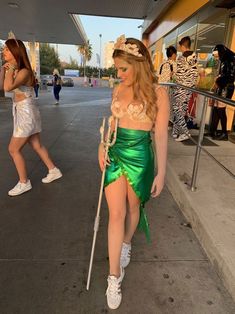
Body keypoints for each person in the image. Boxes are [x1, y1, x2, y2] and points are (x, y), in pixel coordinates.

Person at [98, 35, 169, 310]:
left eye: (123, 69)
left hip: (140, 157)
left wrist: (161, 172)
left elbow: (161, 135)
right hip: (115, 154)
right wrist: (101, 146)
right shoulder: (118, 89)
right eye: (117, 69)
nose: (119, 74)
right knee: (115, 214)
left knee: (132, 207)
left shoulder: (158, 93)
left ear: (138, 65)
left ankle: (127, 241)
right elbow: (110, 125)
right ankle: (114, 275)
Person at [3, 39, 62, 196]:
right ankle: (53, 170)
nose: (3, 52)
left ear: (16, 52)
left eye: (7, 50)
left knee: (13, 149)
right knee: (36, 145)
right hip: (25, 111)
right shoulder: (15, 70)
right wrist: (5, 69)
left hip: (26, 113)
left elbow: (8, 87)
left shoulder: (24, 71)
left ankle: (24, 182)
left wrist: (12, 68)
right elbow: (2, 86)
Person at [172, 36, 198, 141]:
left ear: (183, 46)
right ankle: (175, 131)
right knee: (181, 109)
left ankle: (185, 133)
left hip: (181, 87)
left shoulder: (182, 57)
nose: (179, 48)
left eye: (180, 46)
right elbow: (194, 74)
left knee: (177, 109)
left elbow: (178, 74)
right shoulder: (194, 56)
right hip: (189, 87)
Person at [209, 44, 235, 141]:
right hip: (222, 86)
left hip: (226, 87)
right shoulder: (225, 59)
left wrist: (219, 79)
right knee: (216, 109)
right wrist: (219, 79)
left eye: (217, 55)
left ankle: (224, 133)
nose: (216, 58)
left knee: (220, 110)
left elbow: (230, 76)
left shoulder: (231, 59)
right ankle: (213, 131)